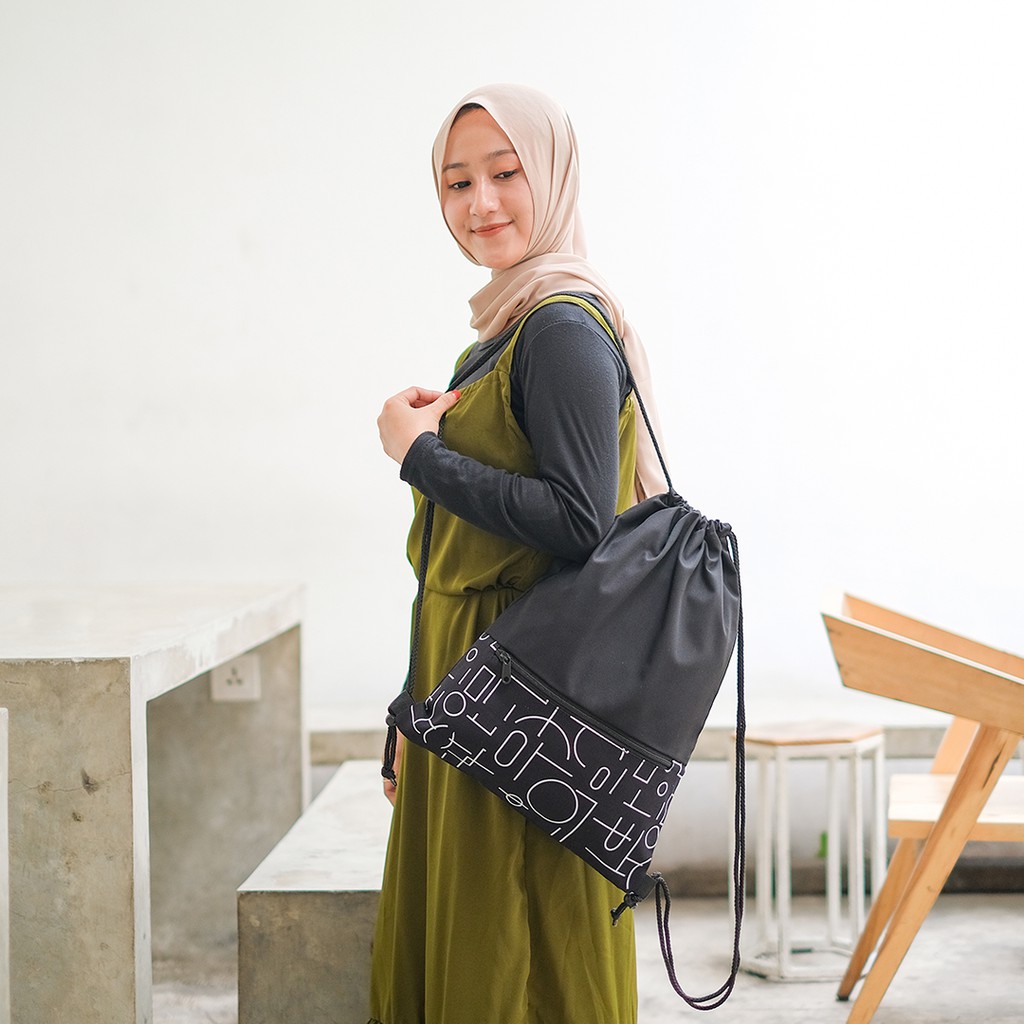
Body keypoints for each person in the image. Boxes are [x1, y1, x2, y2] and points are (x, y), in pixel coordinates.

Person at [371, 83, 666, 1024]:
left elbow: (578, 522)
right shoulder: (504, 333)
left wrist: (418, 455)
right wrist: (412, 705)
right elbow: (447, 559)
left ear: (554, 176)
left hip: (522, 695)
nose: (481, 204)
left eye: (507, 173)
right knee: (479, 942)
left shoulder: (561, 328)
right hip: (472, 688)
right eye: (457, 183)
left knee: (519, 954)